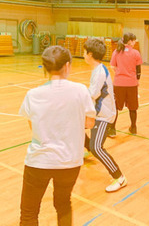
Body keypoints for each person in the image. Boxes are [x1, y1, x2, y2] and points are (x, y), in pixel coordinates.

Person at [19, 46, 96, 226]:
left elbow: (33, 126)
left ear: (45, 67)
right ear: (67, 66)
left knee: (29, 212)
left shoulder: (33, 95)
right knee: (63, 205)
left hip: (38, 162)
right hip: (70, 163)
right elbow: (89, 123)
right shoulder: (80, 90)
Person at [83, 38, 127, 192]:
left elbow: (93, 94)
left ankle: (119, 177)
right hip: (97, 112)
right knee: (75, 125)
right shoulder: (97, 70)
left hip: (104, 115)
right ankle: (86, 148)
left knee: (97, 147)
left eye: (84, 51)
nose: (83, 54)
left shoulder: (100, 71)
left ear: (89, 54)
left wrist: (77, 95)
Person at [109, 33, 142, 136]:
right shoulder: (136, 53)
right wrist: (137, 79)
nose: (135, 42)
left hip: (119, 83)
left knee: (115, 107)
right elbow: (138, 70)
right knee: (133, 107)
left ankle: (112, 130)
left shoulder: (116, 52)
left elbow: (112, 66)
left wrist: (119, 73)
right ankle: (133, 128)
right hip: (132, 83)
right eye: (134, 40)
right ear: (130, 41)